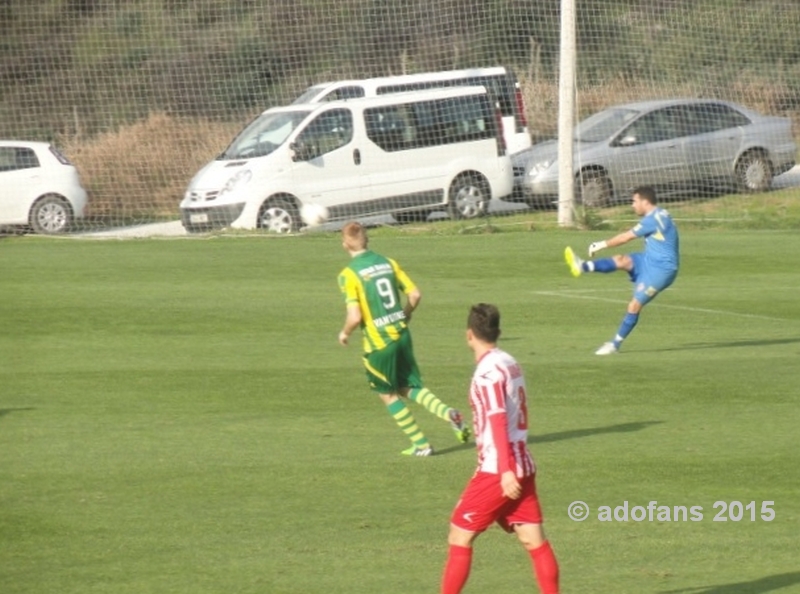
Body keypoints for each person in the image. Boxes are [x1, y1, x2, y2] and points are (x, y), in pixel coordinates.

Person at [441, 303, 559, 594]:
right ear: (498, 332)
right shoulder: (509, 361)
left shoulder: (486, 373)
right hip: (523, 463)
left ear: (469, 335)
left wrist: (505, 471)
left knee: (459, 534)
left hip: (499, 469)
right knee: (534, 540)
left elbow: (496, 418)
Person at [337, 221, 470, 456]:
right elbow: (415, 294)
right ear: (367, 239)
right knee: (406, 386)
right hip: (402, 335)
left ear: (345, 244)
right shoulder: (389, 263)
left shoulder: (348, 275)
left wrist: (345, 333)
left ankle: (421, 444)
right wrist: (404, 315)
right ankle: (449, 414)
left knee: (387, 394)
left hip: (379, 344)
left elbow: (355, 316)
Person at [564, 185, 680, 355]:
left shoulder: (652, 220)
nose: (632, 205)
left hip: (662, 270)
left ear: (644, 201)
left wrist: (601, 244)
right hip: (649, 260)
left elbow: (626, 237)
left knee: (634, 305)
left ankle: (614, 345)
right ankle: (581, 266)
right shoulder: (659, 214)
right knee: (621, 260)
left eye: (634, 201)